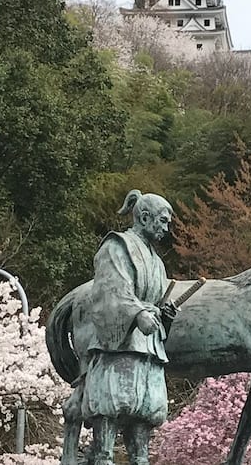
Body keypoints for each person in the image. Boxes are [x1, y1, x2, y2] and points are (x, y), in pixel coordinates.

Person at [70, 189, 178, 465]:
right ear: (144, 217)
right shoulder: (116, 246)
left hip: (147, 350)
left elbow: (155, 301)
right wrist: (139, 313)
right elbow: (112, 291)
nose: (167, 228)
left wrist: (163, 313)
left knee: (143, 420)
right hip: (118, 347)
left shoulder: (157, 262)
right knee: (110, 410)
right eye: (163, 221)